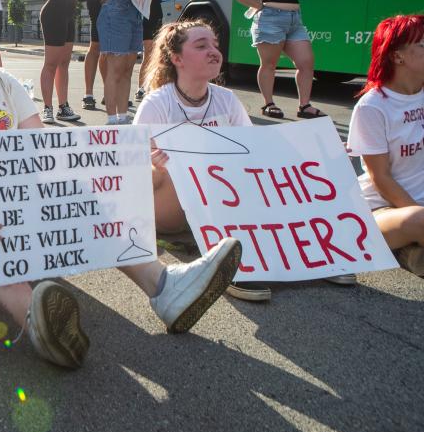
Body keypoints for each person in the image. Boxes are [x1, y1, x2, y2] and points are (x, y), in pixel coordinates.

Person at [0, 0, 243, 369]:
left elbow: (44, 154)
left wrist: (110, 174)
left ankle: (165, 287)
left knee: (77, 189)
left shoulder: (3, 82)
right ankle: (32, 318)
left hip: (2, 223)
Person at [136, 20, 355, 302]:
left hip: (218, 200)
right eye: (201, 46)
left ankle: (317, 256)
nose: (214, 51)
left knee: (268, 178)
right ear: (177, 59)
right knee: (186, 175)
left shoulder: (226, 100)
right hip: (171, 207)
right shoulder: (156, 104)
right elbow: (135, 176)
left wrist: (313, 152)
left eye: (215, 44)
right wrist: (155, 164)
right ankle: (234, 268)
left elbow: (253, 155)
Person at [347, 14, 424, 278]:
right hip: (381, 208)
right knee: (419, 221)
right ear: (398, 56)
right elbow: (381, 178)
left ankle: (409, 249)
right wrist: (418, 210)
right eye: (423, 45)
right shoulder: (373, 106)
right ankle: (407, 244)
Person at [135, 0, 164, 101]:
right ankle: (141, 89)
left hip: (157, 21)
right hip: (147, 22)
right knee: (148, 55)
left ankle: (152, 87)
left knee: (157, 56)